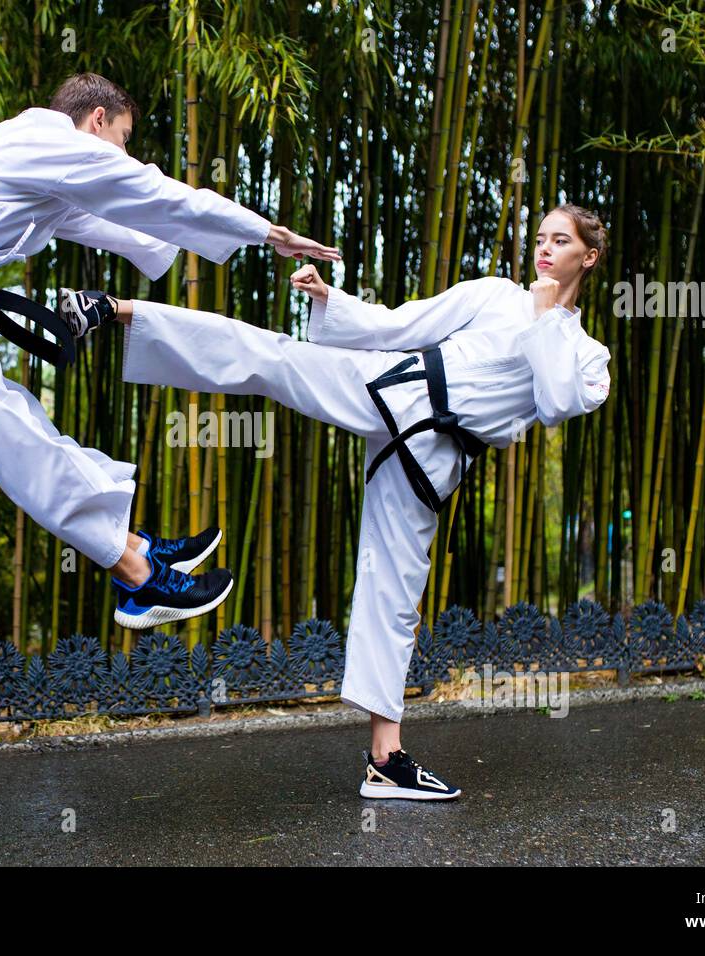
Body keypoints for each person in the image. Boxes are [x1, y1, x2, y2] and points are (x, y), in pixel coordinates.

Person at [63, 204, 612, 796]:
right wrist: (330, 299)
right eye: (540, 238)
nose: (545, 250)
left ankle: (386, 759)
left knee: (395, 589)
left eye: (561, 241)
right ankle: (114, 310)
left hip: (430, 459)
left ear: (590, 255)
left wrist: (548, 314)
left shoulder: (587, 356)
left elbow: (555, 401)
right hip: (391, 390)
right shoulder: (494, 293)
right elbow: (401, 324)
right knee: (272, 357)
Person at [0, 73, 340, 631]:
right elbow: (157, 193)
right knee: (7, 428)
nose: (126, 154)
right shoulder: (53, 143)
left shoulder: (47, 173)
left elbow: (140, 228)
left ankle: (133, 545)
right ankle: (136, 575)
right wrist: (268, 232)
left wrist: (236, 241)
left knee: (16, 418)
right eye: (123, 138)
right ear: (97, 119)